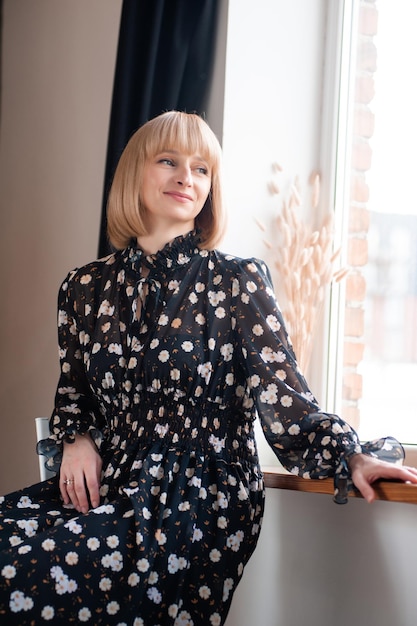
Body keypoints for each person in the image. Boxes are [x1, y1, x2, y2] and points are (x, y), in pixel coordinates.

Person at [0, 111, 416, 625]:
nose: (186, 177)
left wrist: (349, 456)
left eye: (202, 169)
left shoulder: (238, 282)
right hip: (110, 484)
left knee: (23, 576)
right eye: (169, 161)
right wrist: (76, 437)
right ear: (134, 173)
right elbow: (75, 392)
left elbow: (288, 403)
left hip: (198, 498)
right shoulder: (83, 288)